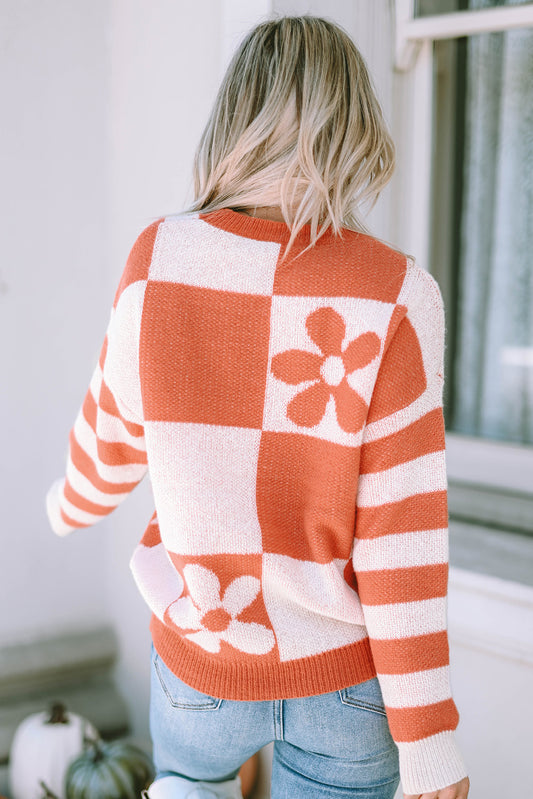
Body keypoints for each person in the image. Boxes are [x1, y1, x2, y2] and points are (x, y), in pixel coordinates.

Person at [46, 14, 471, 799]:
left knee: (185, 784)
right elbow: (401, 537)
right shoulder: (395, 294)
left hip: (202, 666)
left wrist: (66, 506)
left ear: (232, 122)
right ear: (353, 130)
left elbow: (108, 441)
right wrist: (428, 737)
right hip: (344, 685)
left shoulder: (159, 260)